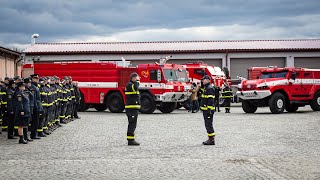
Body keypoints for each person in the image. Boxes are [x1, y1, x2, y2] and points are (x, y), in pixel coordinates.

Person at [125, 72, 141, 146]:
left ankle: (131, 139)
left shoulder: (132, 84)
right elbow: (135, 87)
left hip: (133, 108)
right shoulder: (130, 85)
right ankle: (130, 140)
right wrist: (137, 81)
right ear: (133, 78)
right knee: (132, 123)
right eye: (137, 77)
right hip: (131, 108)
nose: (138, 79)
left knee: (133, 124)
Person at [200, 75, 216, 145]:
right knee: (207, 124)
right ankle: (210, 138)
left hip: (208, 110)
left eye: (204, 80)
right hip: (206, 110)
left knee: (209, 124)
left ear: (208, 80)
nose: (202, 81)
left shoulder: (209, 88)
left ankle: (211, 139)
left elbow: (210, 100)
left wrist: (209, 110)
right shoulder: (206, 88)